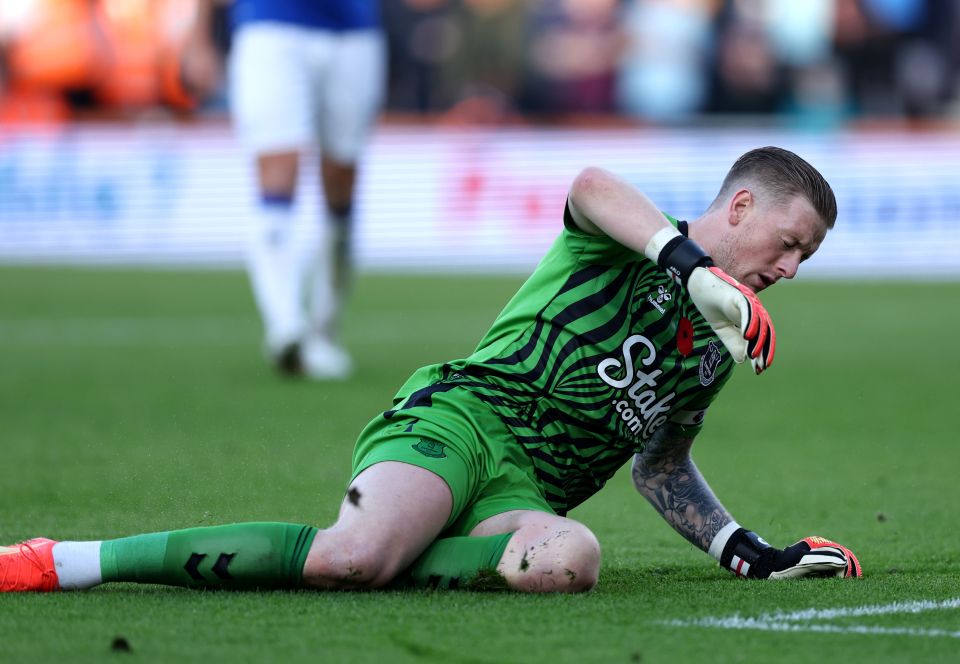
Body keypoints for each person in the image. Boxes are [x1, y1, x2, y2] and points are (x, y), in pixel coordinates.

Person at [1, 147, 861, 594]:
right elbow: (591, 182)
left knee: (571, 561)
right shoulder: (633, 235)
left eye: (805, 260)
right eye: (789, 244)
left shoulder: (718, 346)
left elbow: (660, 465)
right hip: (461, 420)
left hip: (519, 494)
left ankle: (399, 545)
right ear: (740, 207)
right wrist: (686, 264)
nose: (789, 269)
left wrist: (742, 551)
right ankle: (61, 561)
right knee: (347, 561)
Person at [182, 0, 386, 379]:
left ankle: (324, 331)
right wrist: (200, 36)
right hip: (269, 24)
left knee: (341, 185)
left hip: (354, 31)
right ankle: (286, 328)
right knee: (277, 172)